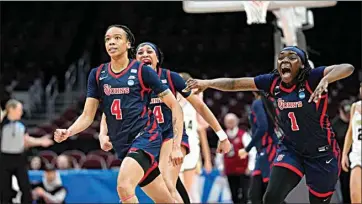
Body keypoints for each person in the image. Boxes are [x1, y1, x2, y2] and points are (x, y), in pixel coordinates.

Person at [186, 46, 354, 204]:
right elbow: (236, 83)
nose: (285, 60)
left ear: (302, 65)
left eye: (292, 57)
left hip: (321, 152)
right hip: (291, 149)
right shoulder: (273, 81)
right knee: (271, 198)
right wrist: (207, 83)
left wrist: (326, 79)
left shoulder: (312, 78)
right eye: (281, 58)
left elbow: (347, 67)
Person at [54, 25, 183, 203]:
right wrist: (68, 131)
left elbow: (174, 105)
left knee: (124, 186)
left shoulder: (142, 70)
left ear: (128, 43)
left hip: (146, 136)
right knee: (165, 199)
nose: (111, 42)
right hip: (123, 143)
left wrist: (176, 145)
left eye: (117, 38)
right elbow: (87, 115)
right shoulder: (98, 74)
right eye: (108, 39)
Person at [100, 42, 231, 203]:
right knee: (165, 190)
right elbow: (110, 109)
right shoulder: (130, 82)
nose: (144, 54)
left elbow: (200, 106)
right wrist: (103, 134)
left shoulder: (170, 77)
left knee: (167, 182)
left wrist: (222, 135)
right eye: (140, 52)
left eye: (149, 51)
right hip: (147, 139)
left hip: (171, 135)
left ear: (157, 58)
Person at [0, 99, 54, 204]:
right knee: (4, 190)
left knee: (25, 188)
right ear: (11, 109)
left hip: (19, 158)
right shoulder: (2, 123)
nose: (21, 112)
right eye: (19, 109)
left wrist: (41, 141)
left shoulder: (22, 125)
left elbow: (26, 141)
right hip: (4, 159)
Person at [178, 72, 213, 203]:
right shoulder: (168, 102)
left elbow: (202, 132)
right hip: (172, 149)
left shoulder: (194, 103)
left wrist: (208, 159)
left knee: (189, 192)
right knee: (173, 191)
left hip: (191, 150)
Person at [238, 91, 278, 204]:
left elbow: (263, 127)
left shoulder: (258, 103)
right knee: (255, 195)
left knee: (268, 194)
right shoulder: (271, 102)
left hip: (268, 149)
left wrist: (247, 148)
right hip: (264, 151)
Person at [222, 113, 255, 204]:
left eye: (232, 121)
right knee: (234, 194)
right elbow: (220, 153)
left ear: (236, 122)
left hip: (243, 170)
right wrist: (221, 167)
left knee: (245, 194)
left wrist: (250, 167)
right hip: (230, 170)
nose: (230, 124)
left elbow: (252, 152)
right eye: (228, 122)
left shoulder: (243, 135)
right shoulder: (223, 137)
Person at [341, 82, 362, 204]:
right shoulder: (355, 107)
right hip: (357, 156)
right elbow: (350, 132)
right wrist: (344, 154)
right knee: (355, 197)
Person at [332, 99, 352, 204]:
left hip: (356, 157)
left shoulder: (355, 121)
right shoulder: (334, 126)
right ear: (340, 111)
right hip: (342, 161)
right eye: (346, 113)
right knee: (345, 185)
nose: (348, 116)